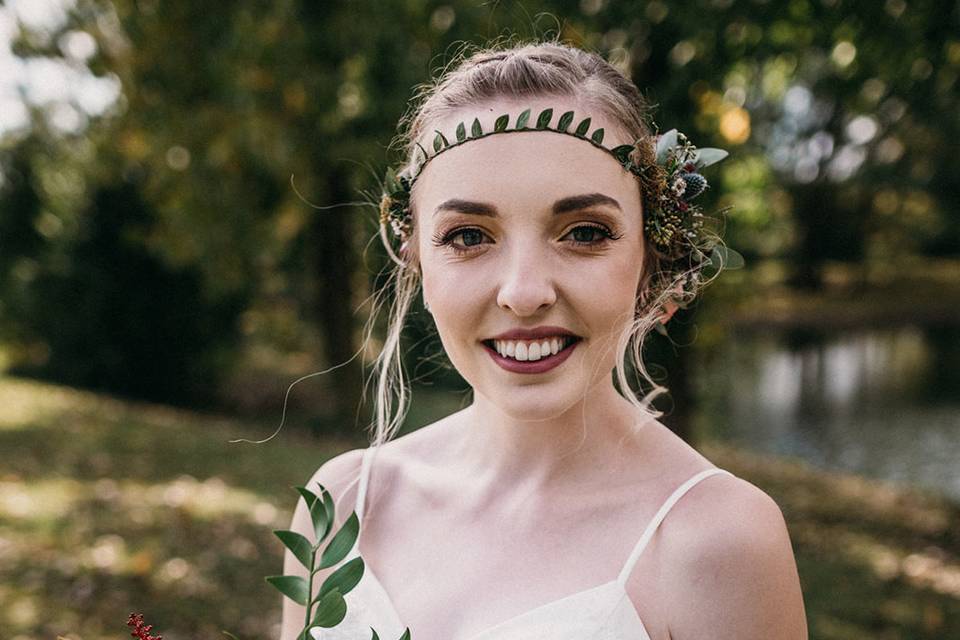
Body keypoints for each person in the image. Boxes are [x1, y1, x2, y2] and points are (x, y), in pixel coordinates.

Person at [280, 39, 807, 640]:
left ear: (652, 258)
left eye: (583, 232)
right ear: (416, 261)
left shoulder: (718, 541)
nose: (523, 292)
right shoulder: (345, 506)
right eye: (469, 237)